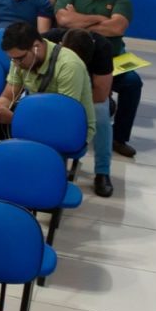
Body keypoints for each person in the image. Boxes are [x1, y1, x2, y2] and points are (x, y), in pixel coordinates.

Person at [0, 21, 96, 167]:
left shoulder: (69, 65)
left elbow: (62, 121)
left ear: (36, 47)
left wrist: (15, 120)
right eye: (12, 59)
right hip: (36, 113)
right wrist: (0, 107)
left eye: (19, 58)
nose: (16, 63)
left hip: (69, 125)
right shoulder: (18, 59)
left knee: (34, 143)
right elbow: (8, 95)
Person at [55, 0, 141, 158]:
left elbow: (117, 28)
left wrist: (78, 19)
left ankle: (119, 138)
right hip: (72, 59)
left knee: (133, 83)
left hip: (111, 61)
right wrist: (100, 18)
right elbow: (63, 21)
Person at [47, 28, 116, 197]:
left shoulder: (102, 48)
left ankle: (102, 171)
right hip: (54, 90)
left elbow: (100, 94)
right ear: (61, 46)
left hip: (89, 95)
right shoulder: (48, 41)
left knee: (101, 114)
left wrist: (71, 102)